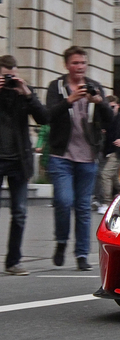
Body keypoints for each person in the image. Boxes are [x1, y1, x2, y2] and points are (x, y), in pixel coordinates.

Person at [46, 46, 113, 271]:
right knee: (64, 202)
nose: (79, 67)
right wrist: (70, 100)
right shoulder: (56, 87)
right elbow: (47, 115)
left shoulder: (94, 87)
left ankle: (82, 254)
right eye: (75, 63)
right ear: (67, 65)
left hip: (87, 157)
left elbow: (109, 119)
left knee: (83, 207)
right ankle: (61, 242)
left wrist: (99, 102)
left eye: (83, 63)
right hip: (61, 156)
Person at [0, 55, 48, 276]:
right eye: (4, 75)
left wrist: (27, 94)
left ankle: (13, 262)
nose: (9, 79)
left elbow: (43, 118)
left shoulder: (23, 93)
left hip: (18, 161)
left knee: (19, 212)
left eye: (12, 74)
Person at [96, 95, 120, 215]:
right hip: (106, 150)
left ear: (118, 106)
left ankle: (107, 203)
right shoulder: (104, 118)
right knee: (113, 179)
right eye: (109, 107)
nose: (111, 109)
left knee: (105, 175)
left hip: (117, 151)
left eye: (113, 106)